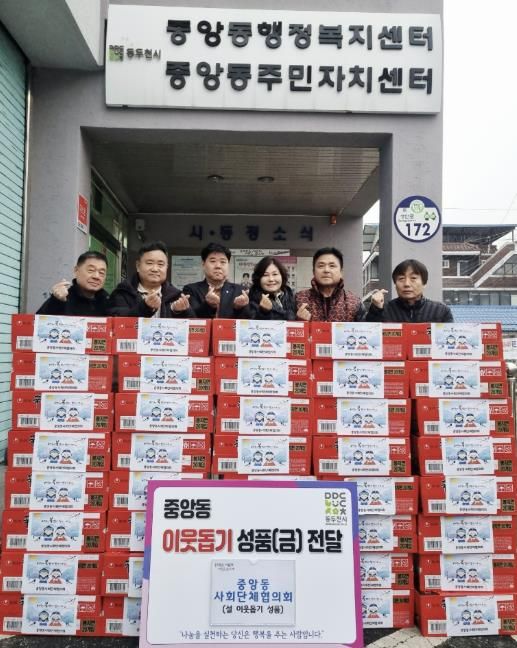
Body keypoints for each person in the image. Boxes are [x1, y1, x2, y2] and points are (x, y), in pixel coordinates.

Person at [107, 241, 194, 317]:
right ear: (138, 266)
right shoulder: (123, 292)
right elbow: (117, 319)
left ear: (167, 267)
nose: (155, 269)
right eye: (149, 263)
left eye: (160, 264)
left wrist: (180, 312)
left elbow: (194, 324)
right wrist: (145, 307)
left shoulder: (176, 296)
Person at [366, 259, 453, 323]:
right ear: (395, 284)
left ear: (424, 283)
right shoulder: (384, 310)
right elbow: (370, 336)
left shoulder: (441, 311)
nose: (407, 284)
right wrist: (376, 309)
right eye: (401, 278)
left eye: (413, 278)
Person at [295, 247, 365, 322]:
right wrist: (298, 322)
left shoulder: (354, 303)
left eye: (332, 266)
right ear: (313, 272)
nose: (326, 270)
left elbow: (367, 327)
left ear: (341, 272)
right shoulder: (298, 299)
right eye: (321, 266)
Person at [183, 242, 250, 318]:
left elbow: (249, 321)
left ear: (228, 265)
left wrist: (240, 308)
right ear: (203, 264)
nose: (218, 266)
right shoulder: (191, 290)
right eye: (213, 261)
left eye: (223, 262)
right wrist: (208, 305)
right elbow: (191, 317)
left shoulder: (240, 291)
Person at [36, 251, 109, 316]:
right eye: (91, 270)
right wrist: (56, 301)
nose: (96, 276)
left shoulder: (108, 302)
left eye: (101, 273)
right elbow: (38, 323)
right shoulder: (62, 299)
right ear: (76, 270)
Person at [248, 256, 296, 320]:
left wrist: (300, 319)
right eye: (265, 275)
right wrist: (264, 312)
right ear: (258, 278)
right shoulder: (250, 299)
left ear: (282, 275)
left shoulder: (291, 296)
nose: (271, 279)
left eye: (275, 274)